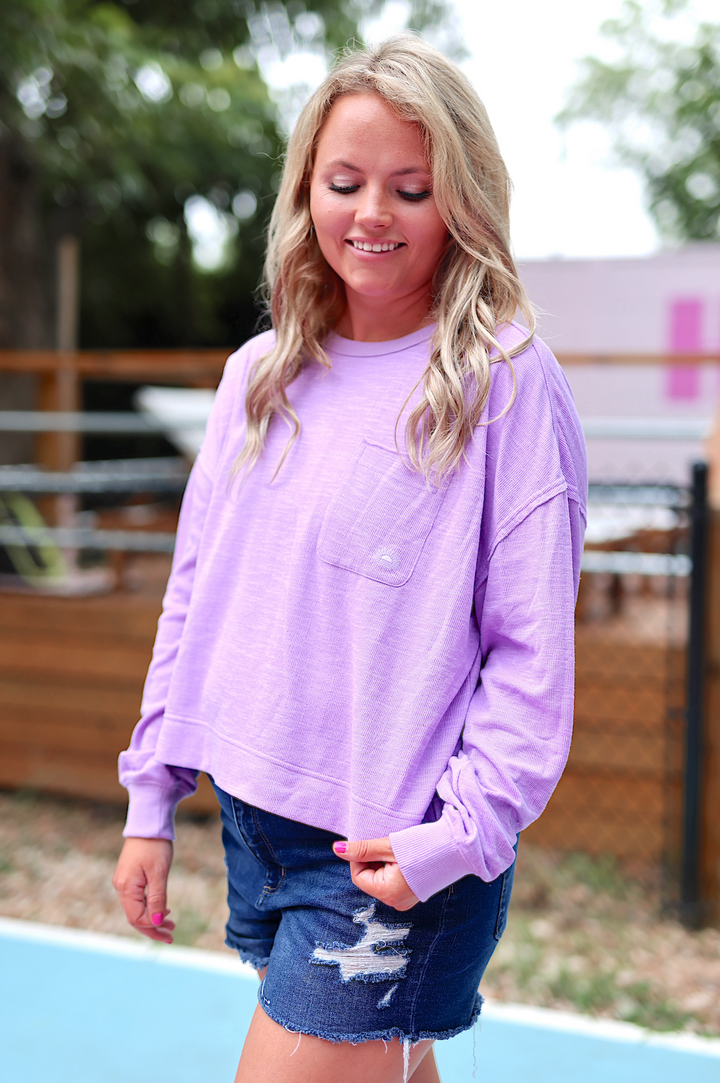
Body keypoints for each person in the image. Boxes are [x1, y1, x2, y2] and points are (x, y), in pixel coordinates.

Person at [113, 35, 587, 1083]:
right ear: (306, 192)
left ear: (461, 200)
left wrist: (456, 838)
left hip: (392, 856)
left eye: (411, 188)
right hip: (260, 826)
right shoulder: (259, 375)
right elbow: (198, 594)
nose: (371, 213)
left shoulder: (504, 382)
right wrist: (155, 797)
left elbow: (531, 652)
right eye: (345, 182)